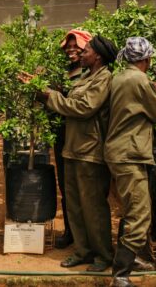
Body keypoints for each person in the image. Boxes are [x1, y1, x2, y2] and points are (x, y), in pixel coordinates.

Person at [19, 35, 117, 272]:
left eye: (86, 51)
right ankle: (82, 251)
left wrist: (47, 96)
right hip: (72, 148)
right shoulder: (86, 77)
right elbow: (67, 99)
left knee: (93, 206)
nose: (81, 54)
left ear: (98, 57)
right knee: (74, 204)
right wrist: (41, 89)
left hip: (90, 151)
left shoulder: (103, 79)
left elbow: (83, 108)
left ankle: (103, 255)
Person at [106, 37, 156, 286]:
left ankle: (130, 260)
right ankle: (120, 274)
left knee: (131, 208)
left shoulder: (119, 76)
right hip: (129, 153)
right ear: (146, 59)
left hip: (119, 151)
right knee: (140, 213)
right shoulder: (140, 80)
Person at [53, 28, 92, 249]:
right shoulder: (63, 73)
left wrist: (55, 96)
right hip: (63, 137)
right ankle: (70, 230)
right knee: (66, 186)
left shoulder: (90, 74)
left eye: (75, 45)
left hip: (83, 139)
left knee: (85, 189)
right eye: (67, 46)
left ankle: (85, 236)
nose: (70, 49)